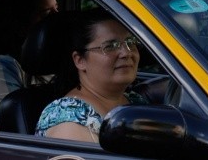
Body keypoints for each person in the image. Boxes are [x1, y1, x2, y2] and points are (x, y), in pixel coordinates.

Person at [35, 9, 147, 143]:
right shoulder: (70, 121)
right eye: (110, 46)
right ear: (80, 60)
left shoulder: (134, 100)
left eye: (130, 42)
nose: (126, 53)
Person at [0, 0, 59, 130]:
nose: (57, 19)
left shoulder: (60, 60)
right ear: (20, 25)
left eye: (57, 9)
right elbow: (13, 135)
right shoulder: (1, 71)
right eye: (47, 14)